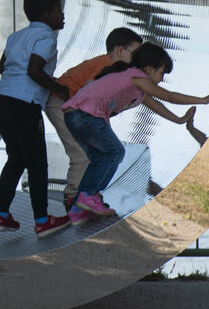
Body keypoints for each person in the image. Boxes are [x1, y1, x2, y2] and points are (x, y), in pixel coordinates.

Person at [62, 42, 209, 217]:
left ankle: (79, 209)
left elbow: (158, 106)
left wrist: (180, 120)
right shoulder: (136, 76)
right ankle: (88, 197)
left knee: (100, 158)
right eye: (161, 73)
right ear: (148, 69)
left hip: (73, 116)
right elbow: (168, 96)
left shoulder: (134, 85)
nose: (162, 79)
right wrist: (204, 99)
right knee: (115, 152)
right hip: (85, 115)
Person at [0, 0, 72, 238]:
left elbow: (3, 66)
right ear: (47, 15)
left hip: (1, 102)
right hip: (23, 105)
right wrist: (58, 88)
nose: (63, 14)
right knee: (37, 164)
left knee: (16, 159)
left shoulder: (17, 36)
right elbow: (34, 71)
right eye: (58, 9)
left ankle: (2, 215)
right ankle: (42, 220)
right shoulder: (47, 38)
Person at [50, 28, 143, 216]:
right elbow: (89, 96)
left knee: (99, 153)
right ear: (120, 50)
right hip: (63, 103)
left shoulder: (121, 71)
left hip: (72, 105)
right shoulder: (106, 66)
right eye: (135, 53)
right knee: (81, 154)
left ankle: (88, 197)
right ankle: (74, 199)